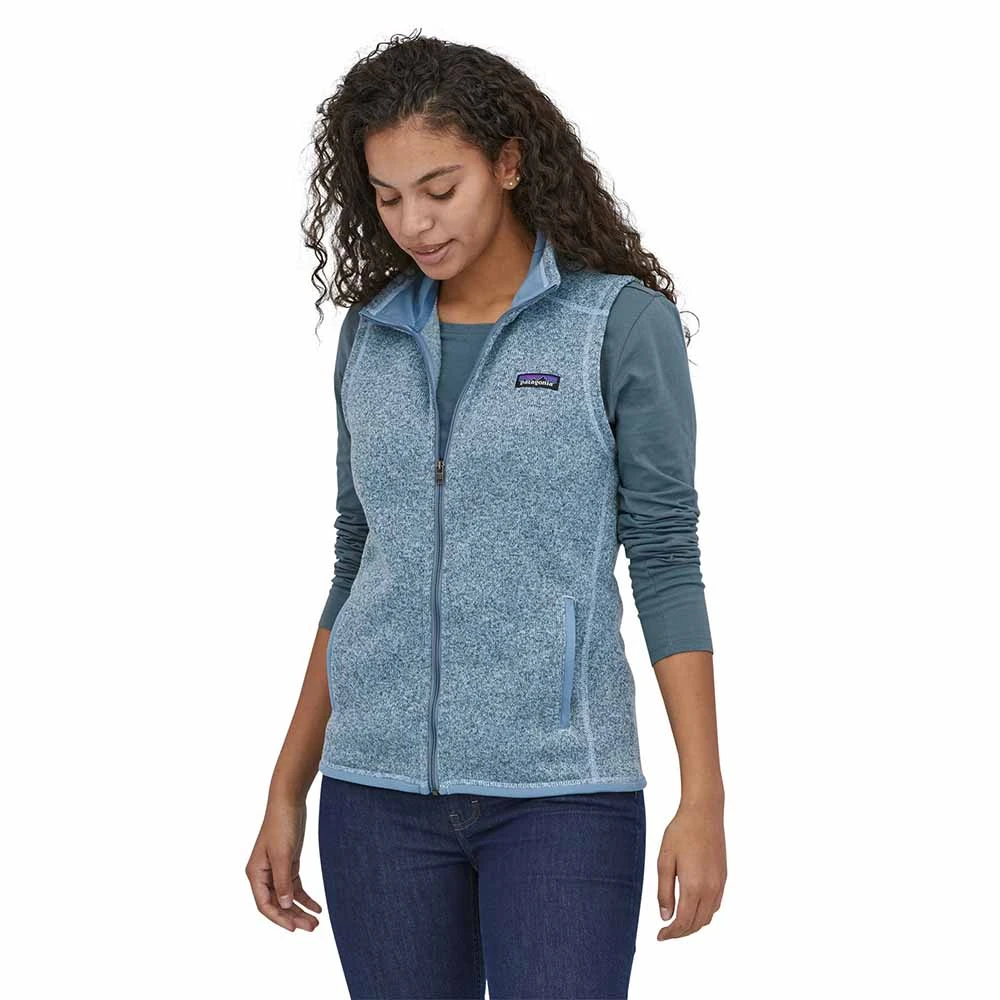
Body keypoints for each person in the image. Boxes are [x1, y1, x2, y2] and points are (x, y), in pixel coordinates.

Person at [246, 30, 727, 999]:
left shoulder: (614, 326)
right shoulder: (372, 337)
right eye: (387, 198)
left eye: (440, 188)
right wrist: (287, 785)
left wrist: (702, 795)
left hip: (561, 794)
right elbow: (357, 559)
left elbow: (665, 556)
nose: (414, 224)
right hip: (374, 795)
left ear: (508, 164)